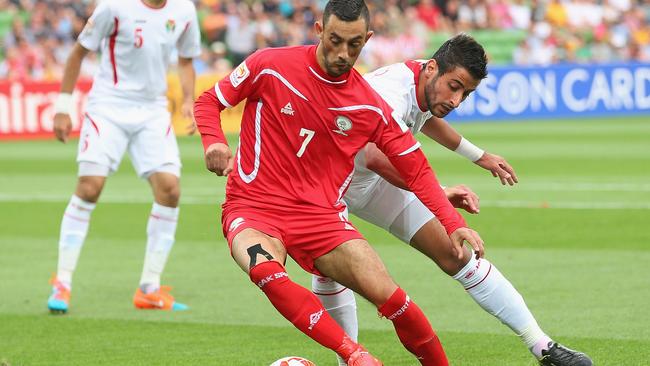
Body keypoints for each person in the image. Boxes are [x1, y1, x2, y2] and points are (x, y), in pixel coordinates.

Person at [194, 1, 486, 365]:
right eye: (335, 40)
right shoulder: (269, 64)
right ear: (319, 30)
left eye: (354, 45)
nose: (343, 53)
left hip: (322, 218)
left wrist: (454, 223)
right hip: (253, 208)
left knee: (394, 299)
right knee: (266, 270)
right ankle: (354, 354)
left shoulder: (368, 104)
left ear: (367, 39)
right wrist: (214, 141)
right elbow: (209, 101)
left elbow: (417, 172)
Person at [311, 34, 593, 366]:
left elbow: (426, 117)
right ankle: (350, 360)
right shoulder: (391, 92)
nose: (457, 101)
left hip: (369, 182)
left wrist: (479, 156)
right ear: (433, 68)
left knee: (456, 254)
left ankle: (542, 346)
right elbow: (374, 155)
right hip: (326, 187)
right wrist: (438, 192)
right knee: (331, 269)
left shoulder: (425, 80)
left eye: (466, 93)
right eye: (455, 86)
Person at [47, 0, 201, 314]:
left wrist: (188, 100)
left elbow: (186, 61)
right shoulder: (114, 7)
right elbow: (78, 53)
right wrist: (63, 108)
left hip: (152, 109)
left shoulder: (184, 11)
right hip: (109, 105)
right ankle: (62, 282)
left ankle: (149, 288)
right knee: (90, 187)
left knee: (170, 190)